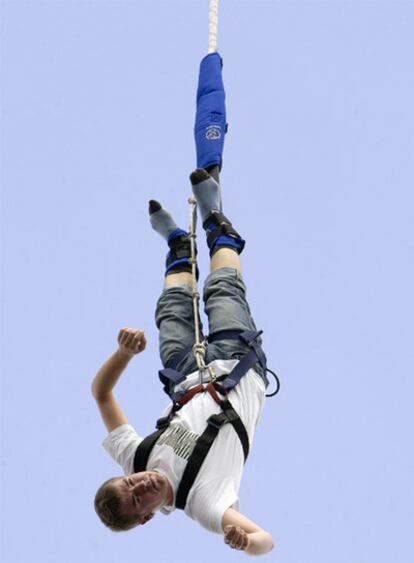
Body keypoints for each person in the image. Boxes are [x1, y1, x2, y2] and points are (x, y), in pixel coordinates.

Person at [91, 53, 275, 556]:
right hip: (238, 368)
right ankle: (218, 223)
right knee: (222, 292)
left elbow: (102, 394)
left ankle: (176, 245)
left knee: (171, 309)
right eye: (138, 498)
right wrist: (245, 541)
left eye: (129, 484)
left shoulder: (134, 456)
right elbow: (265, 539)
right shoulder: (204, 503)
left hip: (185, 375)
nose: (139, 484)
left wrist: (124, 355)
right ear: (147, 517)